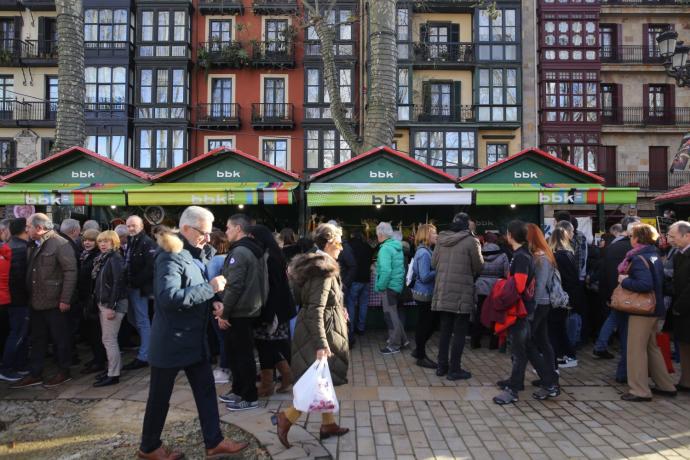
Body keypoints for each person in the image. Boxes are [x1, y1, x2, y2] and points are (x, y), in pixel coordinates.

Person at [138, 207, 247, 460]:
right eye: (204, 233)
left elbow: (192, 289)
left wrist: (213, 303)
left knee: (207, 391)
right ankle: (149, 447)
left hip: (193, 342)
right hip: (171, 343)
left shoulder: (193, 254)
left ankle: (214, 441)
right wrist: (211, 289)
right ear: (186, 229)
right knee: (159, 398)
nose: (208, 239)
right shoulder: (170, 257)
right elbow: (168, 299)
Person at [273, 223, 350, 448]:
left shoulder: (311, 264)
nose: (342, 248)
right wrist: (321, 344)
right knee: (315, 381)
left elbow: (304, 299)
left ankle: (328, 424)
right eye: (339, 243)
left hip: (315, 328)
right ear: (329, 243)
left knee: (323, 378)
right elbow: (316, 308)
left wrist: (337, 305)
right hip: (319, 331)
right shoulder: (324, 268)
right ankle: (286, 418)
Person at [493, 221, 559, 405]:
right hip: (524, 309)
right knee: (526, 348)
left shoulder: (521, 257)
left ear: (510, 235)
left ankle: (513, 390)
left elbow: (519, 286)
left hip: (521, 310)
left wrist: (502, 289)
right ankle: (549, 382)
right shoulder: (524, 255)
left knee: (520, 350)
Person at [11, 213, 77, 389]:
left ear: (39, 228)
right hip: (36, 301)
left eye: (29, 226)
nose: (27, 229)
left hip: (55, 302)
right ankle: (35, 373)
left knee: (60, 339)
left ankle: (64, 371)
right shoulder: (33, 243)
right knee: (38, 339)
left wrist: (65, 299)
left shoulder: (60, 243)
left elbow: (70, 272)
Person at [619, 223, 677, 401]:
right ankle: (665, 385)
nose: (630, 239)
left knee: (636, 350)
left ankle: (639, 390)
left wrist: (624, 281)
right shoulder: (654, 254)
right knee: (652, 347)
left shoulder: (638, 258)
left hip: (642, 311)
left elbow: (644, 285)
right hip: (654, 308)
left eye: (631, 236)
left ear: (637, 238)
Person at [215, 214, 265, 412]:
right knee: (237, 354)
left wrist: (224, 313)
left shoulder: (241, 251)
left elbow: (234, 285)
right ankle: (238, 390)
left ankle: (249, 396)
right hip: (243, 308)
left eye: (228, 227)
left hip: (240, 311)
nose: (226, 231)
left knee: (242, 355)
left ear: (238, 229)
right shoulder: (247, 249)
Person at [432, 212, 483, 380]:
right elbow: (479, 266)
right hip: (462, 291)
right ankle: (454, 369)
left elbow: (434, 263)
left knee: (445, 330)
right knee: (460, 332)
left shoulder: (441, 239)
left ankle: (441, 367)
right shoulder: (471, 241)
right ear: (466, 225)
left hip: (443, 290)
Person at [249, 225, 295, 397]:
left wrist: (269, 314)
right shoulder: (275, 254)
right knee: (270, 345)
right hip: (279, 309)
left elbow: (272, 288)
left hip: (273, 310)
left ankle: (269, 384)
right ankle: (285, 376)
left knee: (265, 346)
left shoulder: (268, 258)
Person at [595, 216, 640, 381]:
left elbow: (606, 271)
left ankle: (601, 345)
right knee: (627, 332)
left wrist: (607, 293)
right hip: (631, 294)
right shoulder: (635, 251)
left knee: (615, 319)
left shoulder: (613, 247)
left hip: (616, 292)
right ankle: (624, 371)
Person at [92, 230, 128, 387]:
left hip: (112, 304)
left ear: (114, 242)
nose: (102, 244)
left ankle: (113, 374)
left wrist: (111, 306)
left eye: (106, 241)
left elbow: (118, 283)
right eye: (100, 241)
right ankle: (114, 368)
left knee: (109, 339)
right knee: (108, 339)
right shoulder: (105, 258)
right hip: (106, 303)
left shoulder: (115, 258)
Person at [122, 215, 157, 371]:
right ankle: (148, 344)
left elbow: (150, 268)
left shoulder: (147, 242)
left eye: (133, 225)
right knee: (132, 318)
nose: (130, 228)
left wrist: (135, 282)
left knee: (142, 320)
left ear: (142, 226)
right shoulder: (132, 241)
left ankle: (145, 355)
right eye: (128, 225)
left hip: (139, 288)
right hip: (131, 286)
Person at [0, 219, 30, 382]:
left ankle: (20, 364)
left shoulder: (11, 246)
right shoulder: (19, 249)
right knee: (17, 333)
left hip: (13, 299)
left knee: (20, 333)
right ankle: (7, 367)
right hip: (18, 300)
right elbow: (19, 279)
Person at [472, 232, 509, 349]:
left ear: (486, 241)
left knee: (479, 314)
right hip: (496, 288)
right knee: (494, 314)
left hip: (480, 287)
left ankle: (475, 341)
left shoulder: (479, 253)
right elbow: (506, 272)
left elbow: (474, 270)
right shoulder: (502, 255)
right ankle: (493, 343)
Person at [375, 222, 407, 355]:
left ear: (381, 234)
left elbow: (386, 271)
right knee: (394, 315)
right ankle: (403, 340)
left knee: (390, 316)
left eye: (377, 234)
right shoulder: (396, 247)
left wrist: (380, 286)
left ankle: (394, 345)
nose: (377, 237)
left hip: (388, 287)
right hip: (396, 286)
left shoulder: (385, 249)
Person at [77, 229, 106, 375]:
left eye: (91, 240)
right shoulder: (85, 255)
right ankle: (97, 358)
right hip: (85, 298)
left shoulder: (97, 257)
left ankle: (99, 361)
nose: (87, 242)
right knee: (90, 332)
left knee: (96, 332)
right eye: (85, 240)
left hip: (93, 299)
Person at [409, 223, 438, 368]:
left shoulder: (424, 251)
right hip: (424, 293)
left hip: (424, 293)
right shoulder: (424, 253)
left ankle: (419, 351)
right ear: (426, 235)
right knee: (425, 324)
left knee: (426, 323)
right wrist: (439, 270)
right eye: (433, 233)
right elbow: (425, 276)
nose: (436, 236)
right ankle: (420, 355)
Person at [667, 221, 690, 392]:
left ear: (687, 235)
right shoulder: (677, 254)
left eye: (674, 237)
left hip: (685, 308)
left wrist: (679, 306)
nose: (670, 240)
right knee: (683, 345)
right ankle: (685, 380)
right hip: (680, 310)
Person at [207, 230, 230, 385]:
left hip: (217, 303)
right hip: (229, 302)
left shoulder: (213, 262)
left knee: (222, 337)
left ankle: (224, 369)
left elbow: (210, 284)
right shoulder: (230, 257)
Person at [347, 230, 373, 336]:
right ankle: (361, 328)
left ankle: (351, 329)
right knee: (363, 304)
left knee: (351, 304)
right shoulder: (367, 246)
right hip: (366, 279)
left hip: (354, 280)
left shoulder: (349, 246)